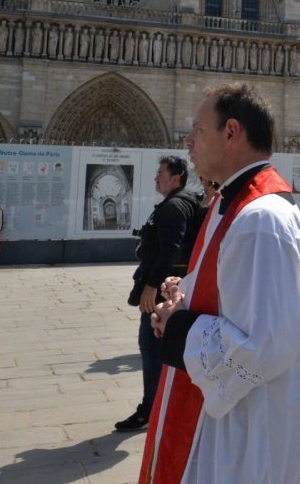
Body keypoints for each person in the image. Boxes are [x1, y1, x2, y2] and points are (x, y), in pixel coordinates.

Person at [144, 84, 300, 483]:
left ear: (231, 132)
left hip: (248, 431)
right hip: (237, 415)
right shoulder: (233, 202)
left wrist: (178, 326)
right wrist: (184, 297)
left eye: (198, 130)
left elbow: (265, 344)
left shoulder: (261, 217)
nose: (188, 140)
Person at [114, 155, 200, 434]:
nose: (156, 177)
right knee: (160, 351)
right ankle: (162, 407)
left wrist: (151, 286)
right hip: (169, 287)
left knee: (151, 351)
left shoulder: (175, 206)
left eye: (161, 172)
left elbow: (171, 250)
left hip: (162, 291)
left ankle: (151, 410)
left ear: (176, 177)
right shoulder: (179, 203)